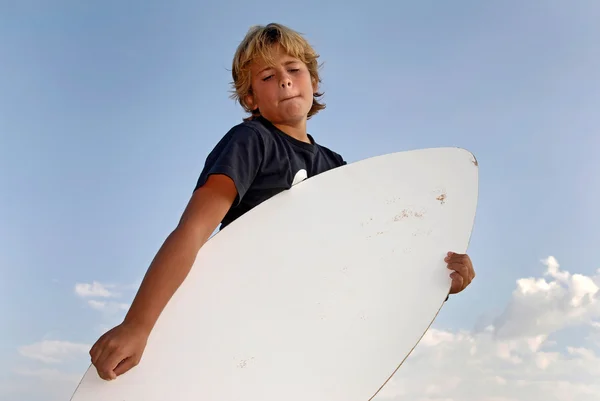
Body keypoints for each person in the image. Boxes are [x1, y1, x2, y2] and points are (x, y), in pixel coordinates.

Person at [89, 22, 476, 381]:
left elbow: (364, 260)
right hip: (244, 321)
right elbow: (192, 231)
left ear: (313, 79)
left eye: (294, 69)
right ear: (250, 96)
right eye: (268, 76)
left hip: (309, 329)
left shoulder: (336, 168)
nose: (285, 81)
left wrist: (434, 283)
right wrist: (138, 324)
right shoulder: (250, 142)